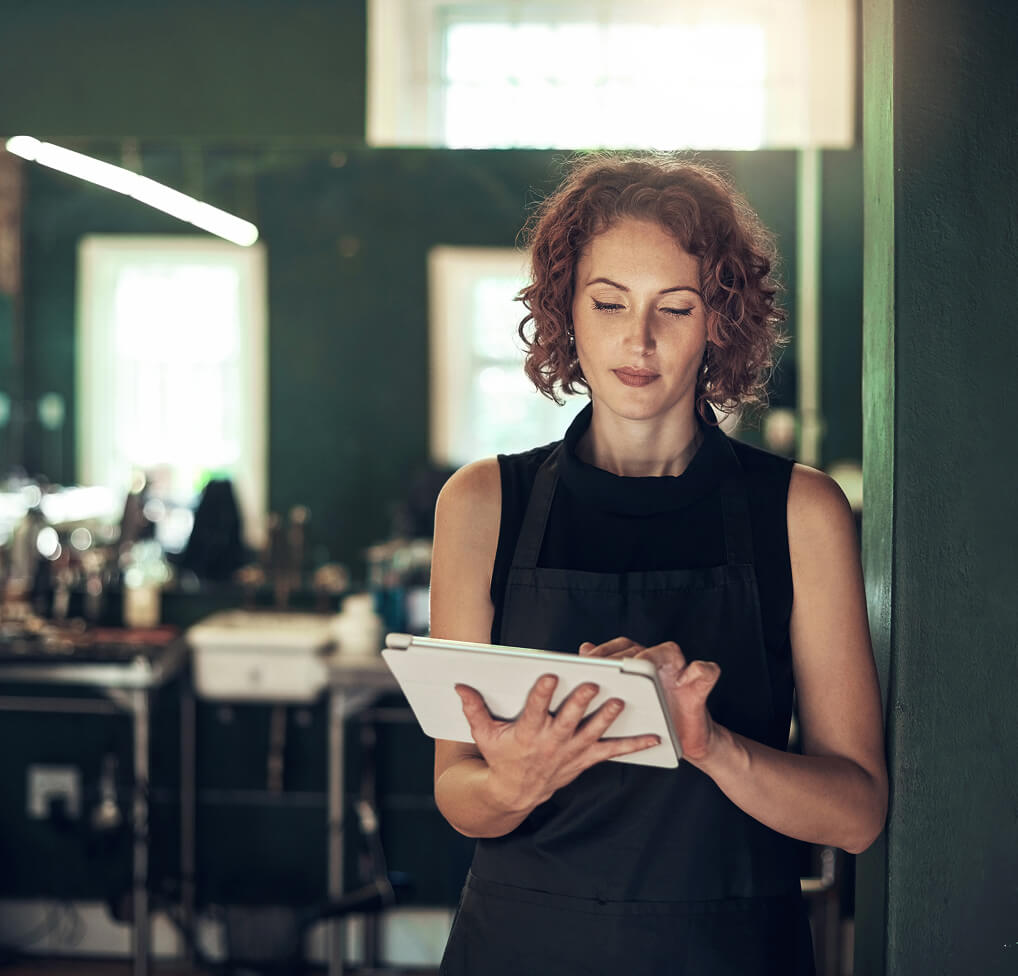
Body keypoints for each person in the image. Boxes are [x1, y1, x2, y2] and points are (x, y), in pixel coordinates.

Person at [429, 154, 887, 975]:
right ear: (568, 310)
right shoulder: (481, 504)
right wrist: (518, 781)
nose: (638, 341)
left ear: (721, 322)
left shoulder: (800, 511)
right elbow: (458, 795)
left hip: (727, 952)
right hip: (523, 949)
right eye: (609, 303)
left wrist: (711, 745)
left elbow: (855, 814)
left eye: (675, 308)